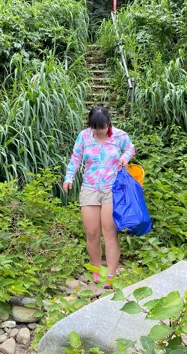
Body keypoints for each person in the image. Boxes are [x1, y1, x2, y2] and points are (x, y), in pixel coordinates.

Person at [63, 106, 135, 288]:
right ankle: (97, 269)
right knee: (92, 232)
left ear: (108, 123)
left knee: (109, 232)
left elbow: (130, 149)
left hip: (112, 188)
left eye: (101, 127)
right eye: (95, 128)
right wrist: (69, 178)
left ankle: (110, 274)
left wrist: (125, 158)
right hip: (89, 188)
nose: (98, 131)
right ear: (90, 126)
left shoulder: (120, 136)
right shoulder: (84, 136)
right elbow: (75, 158)